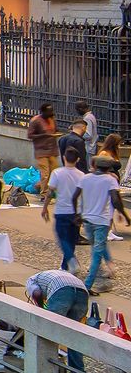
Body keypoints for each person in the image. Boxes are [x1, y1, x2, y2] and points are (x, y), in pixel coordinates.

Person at [28, 267, 92, 373]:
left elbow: (36, 293)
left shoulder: (31, 279)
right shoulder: (55, 274)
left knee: (49, 333)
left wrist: (42, 310)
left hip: (61, 291)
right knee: (73, 338)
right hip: (82, 292)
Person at [76, 161, 120, 291]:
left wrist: (77, 213)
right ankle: (88, 285)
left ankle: (111, 267)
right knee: (97, 251)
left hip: (88, 219)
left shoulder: (85, 178)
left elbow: (75, 196)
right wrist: (124, 214)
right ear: (108, 168)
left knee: (97, 247)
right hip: (102, 220)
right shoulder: (110, 180)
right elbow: (115, 200)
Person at [44, 146, 88, 274]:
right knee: (72, 239)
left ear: (64, 158)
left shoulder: (57, 173)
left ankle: (71, 261)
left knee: (62, 238)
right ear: (78, 159)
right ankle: (65, 265)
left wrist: (45, 207)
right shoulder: (82, 175)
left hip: (61, 210)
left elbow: (50, 192)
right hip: (76, 211)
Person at [28, 104, 61, 182]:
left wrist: (57, 133)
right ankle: (44, 192)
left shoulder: (52, 119)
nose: (51, 113)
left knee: (54, 172)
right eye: (49, 111)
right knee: (45, 173)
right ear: (43, 112)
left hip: (52, 150)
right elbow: (30, 135)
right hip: (41, 150)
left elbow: (56, 130)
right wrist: (44, 135)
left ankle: (51, 190)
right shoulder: (35, 121)